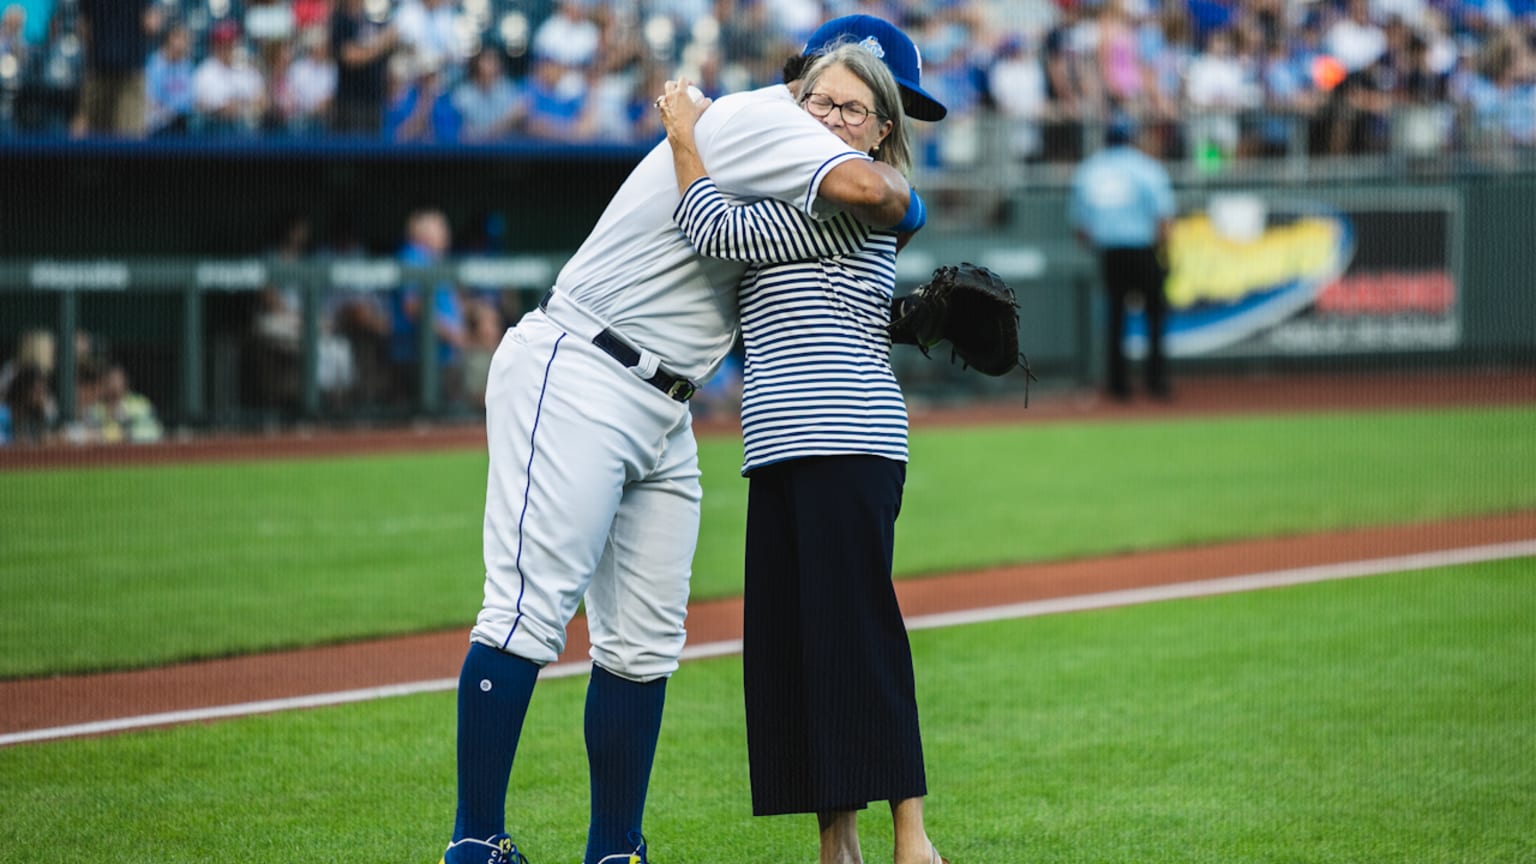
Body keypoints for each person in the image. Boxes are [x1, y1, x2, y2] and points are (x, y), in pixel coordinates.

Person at [436, 14, 930, 864]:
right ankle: (475, 842)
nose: (854, 121)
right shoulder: (774, 124)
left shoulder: (765, 138)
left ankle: (615, 850)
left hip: (666, 398)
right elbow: (872, 196)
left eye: (874, 110)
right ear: (806, 81)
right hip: (584, 363)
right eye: (837, 98)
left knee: (644, 639)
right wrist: (909, 201)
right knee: (528, 608)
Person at [656, 31, 951, 864]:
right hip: (782, 445)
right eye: (817, 101)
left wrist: (685, 131)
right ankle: (837, 842)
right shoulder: (810, 184)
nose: (827, 116)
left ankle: (912, 837)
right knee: (800, 648)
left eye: (850, 108)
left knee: (858, 636)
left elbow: (710, 227)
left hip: (846, 440)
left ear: (878, 132)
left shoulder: (846, 200)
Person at [1067, 114, 1177, 401]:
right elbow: (1163, 219)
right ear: (1132, 137)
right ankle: (1156, 381)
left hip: (1111, 252)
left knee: (1115, 317)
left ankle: (1118, 385)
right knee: (1155, 315)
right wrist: (1165, 253)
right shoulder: (1147, 168)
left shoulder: (1090, 170)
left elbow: (1080, 228)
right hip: (1144, 249)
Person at [71, 0, 162, 138]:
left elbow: (83, 28)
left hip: (102, 68)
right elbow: (151, 25)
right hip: (126, 71)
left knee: (90, 135)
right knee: (128, 140)